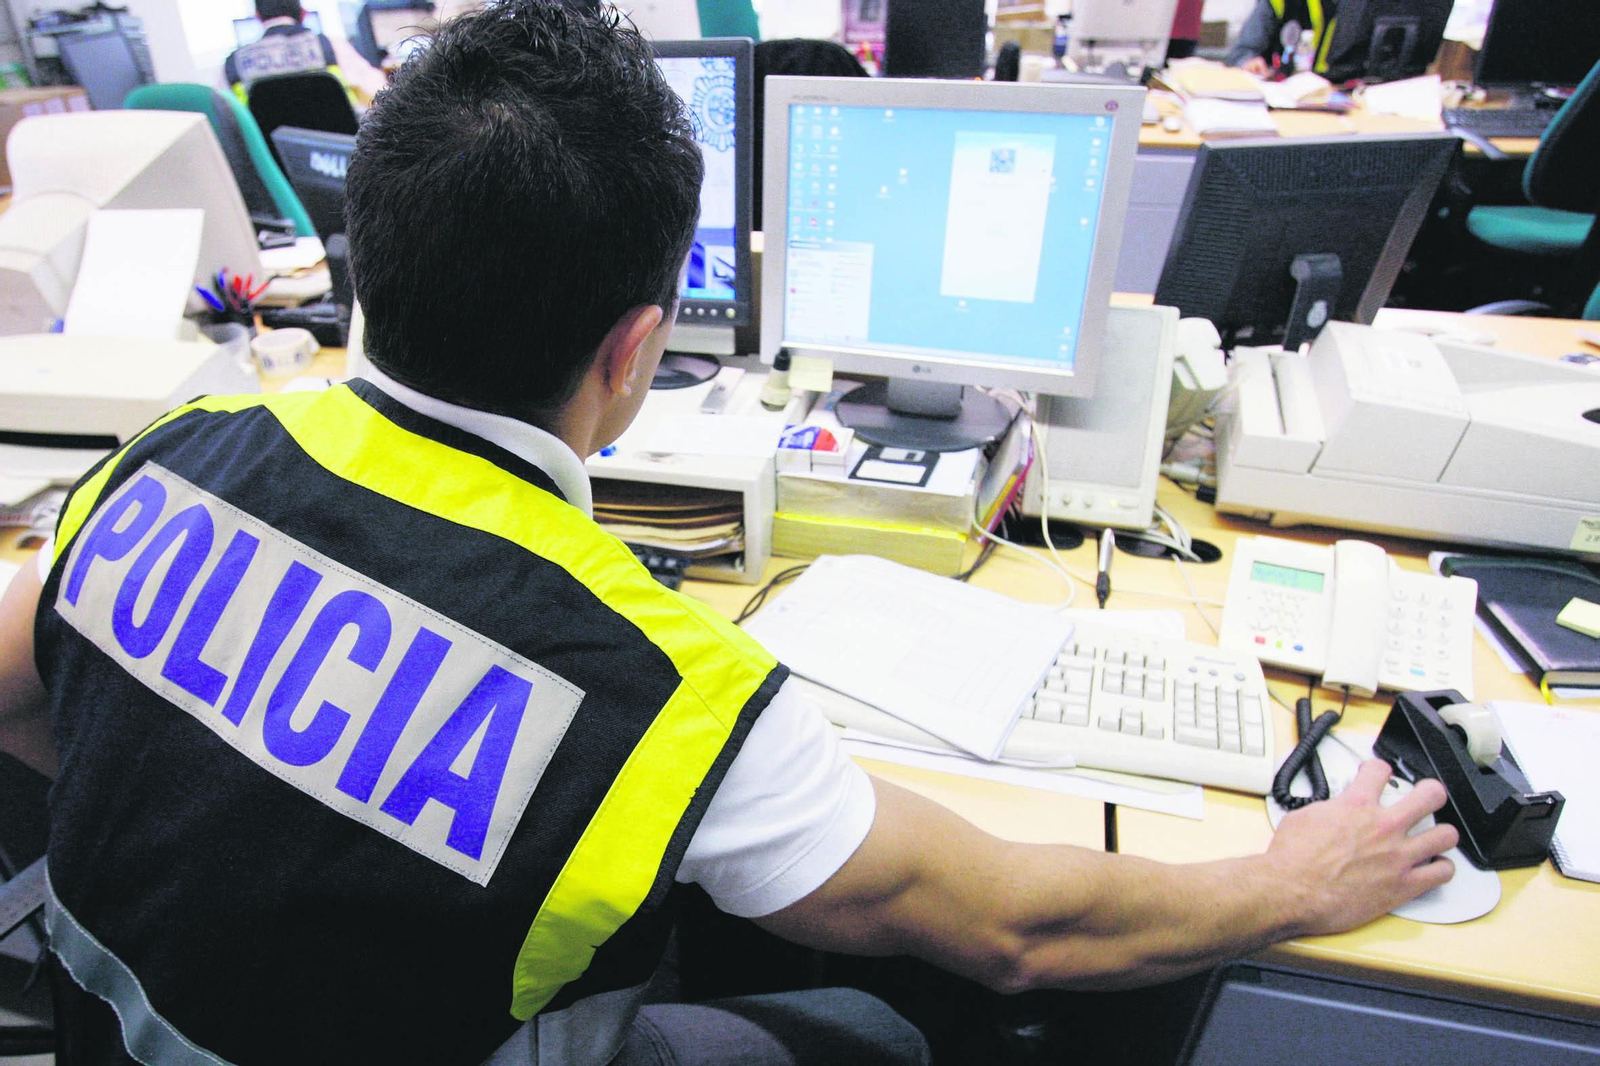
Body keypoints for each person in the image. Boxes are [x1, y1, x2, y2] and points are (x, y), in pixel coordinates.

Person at [0, 2, 1459, 1062]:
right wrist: (1293, 878)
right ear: (635, 352)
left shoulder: (167, 457)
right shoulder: (657, 688)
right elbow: (1024, 930)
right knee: (896, 1021)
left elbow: (26, 683)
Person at [224, 0, 361, 105]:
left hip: (271, 141)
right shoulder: (330, 45)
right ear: (303, 13)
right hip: (338, 139)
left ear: (258, 16)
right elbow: (375, 90)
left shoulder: (234, 62)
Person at [1225, 0, 1338, 77]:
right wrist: (1249, 62)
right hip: (1281, 95)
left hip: (1342, 93)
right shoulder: (1279, 3)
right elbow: (1243, 51)